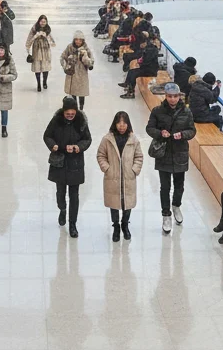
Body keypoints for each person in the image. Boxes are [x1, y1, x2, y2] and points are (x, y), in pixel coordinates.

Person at [145, 83, 195, 234]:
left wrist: (183, 135)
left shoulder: (186, 112)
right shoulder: (157, 111)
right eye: (169, 96)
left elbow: (192, 130)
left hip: (180, 153)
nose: (172, 99)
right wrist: (161, 133)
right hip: (164, 153)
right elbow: (149, 128)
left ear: (179, 96)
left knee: (179, 185)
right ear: (165, 96)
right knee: (165, 187)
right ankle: (166, 214)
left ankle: (176, 205)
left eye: (175, 96)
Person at [44, 97, 92, 238]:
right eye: (67, 114)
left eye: (72, 113)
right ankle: (62, 208)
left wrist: (78, 147)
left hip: (75, 163)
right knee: (60, 192)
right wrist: (53, 145)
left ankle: (72, 224)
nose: (70, 116)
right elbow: (47, 135)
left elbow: (87, 139)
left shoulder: (81, 122)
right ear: (63, 112)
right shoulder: (56, 121)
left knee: (74, 195)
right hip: (59, 161)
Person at [96, 112, 143, 242]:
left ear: (128, 124)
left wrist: (134, 170)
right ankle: (116, 226)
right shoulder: (107, 139)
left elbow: (139, 157)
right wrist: (107, 168)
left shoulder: (133, 140)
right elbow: (101, 155)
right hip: (113, 177)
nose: (122, 126)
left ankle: (125, 224)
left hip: (128, 178)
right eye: (119, 123)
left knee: (127, 203)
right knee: (114, 203)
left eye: (124, 123)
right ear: (115, 124)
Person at [118, 31, 158, 99]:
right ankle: (127, 83)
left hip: (150, 70)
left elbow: (147, 61)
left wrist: (140, 62)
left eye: (141, 44)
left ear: (144, 43)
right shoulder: (148, 48)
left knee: (134, 74)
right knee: (131, 71)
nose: (140, 46)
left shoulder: (150, 49)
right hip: (147, 68)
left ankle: (131, 93)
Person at [60, 32, 94, 109]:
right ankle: (74, 107)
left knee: (82, 91)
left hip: (82, 73)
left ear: (83, 41)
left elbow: (91, 62)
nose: (78, 41)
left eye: (80, 40)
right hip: (72, 72)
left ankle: (81, 107)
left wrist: (84, 57)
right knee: (73, 90)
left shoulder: (86, 49)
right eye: (76, 39)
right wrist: (66, 66)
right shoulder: (70, 47)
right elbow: (62, 57)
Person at [26, 15, 56, 91]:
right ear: (39, 21)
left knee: (46, 67)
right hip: (36, 50)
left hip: (45, 50)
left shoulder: (48, 29)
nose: (42, 23)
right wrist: (36, 36)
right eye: (41, 21)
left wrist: (46, 36)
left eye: (44, 22)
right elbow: (29, 40)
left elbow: (53, 43)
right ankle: (38, 84)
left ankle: (44, 82)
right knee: (37, 68)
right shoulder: (34, 28)